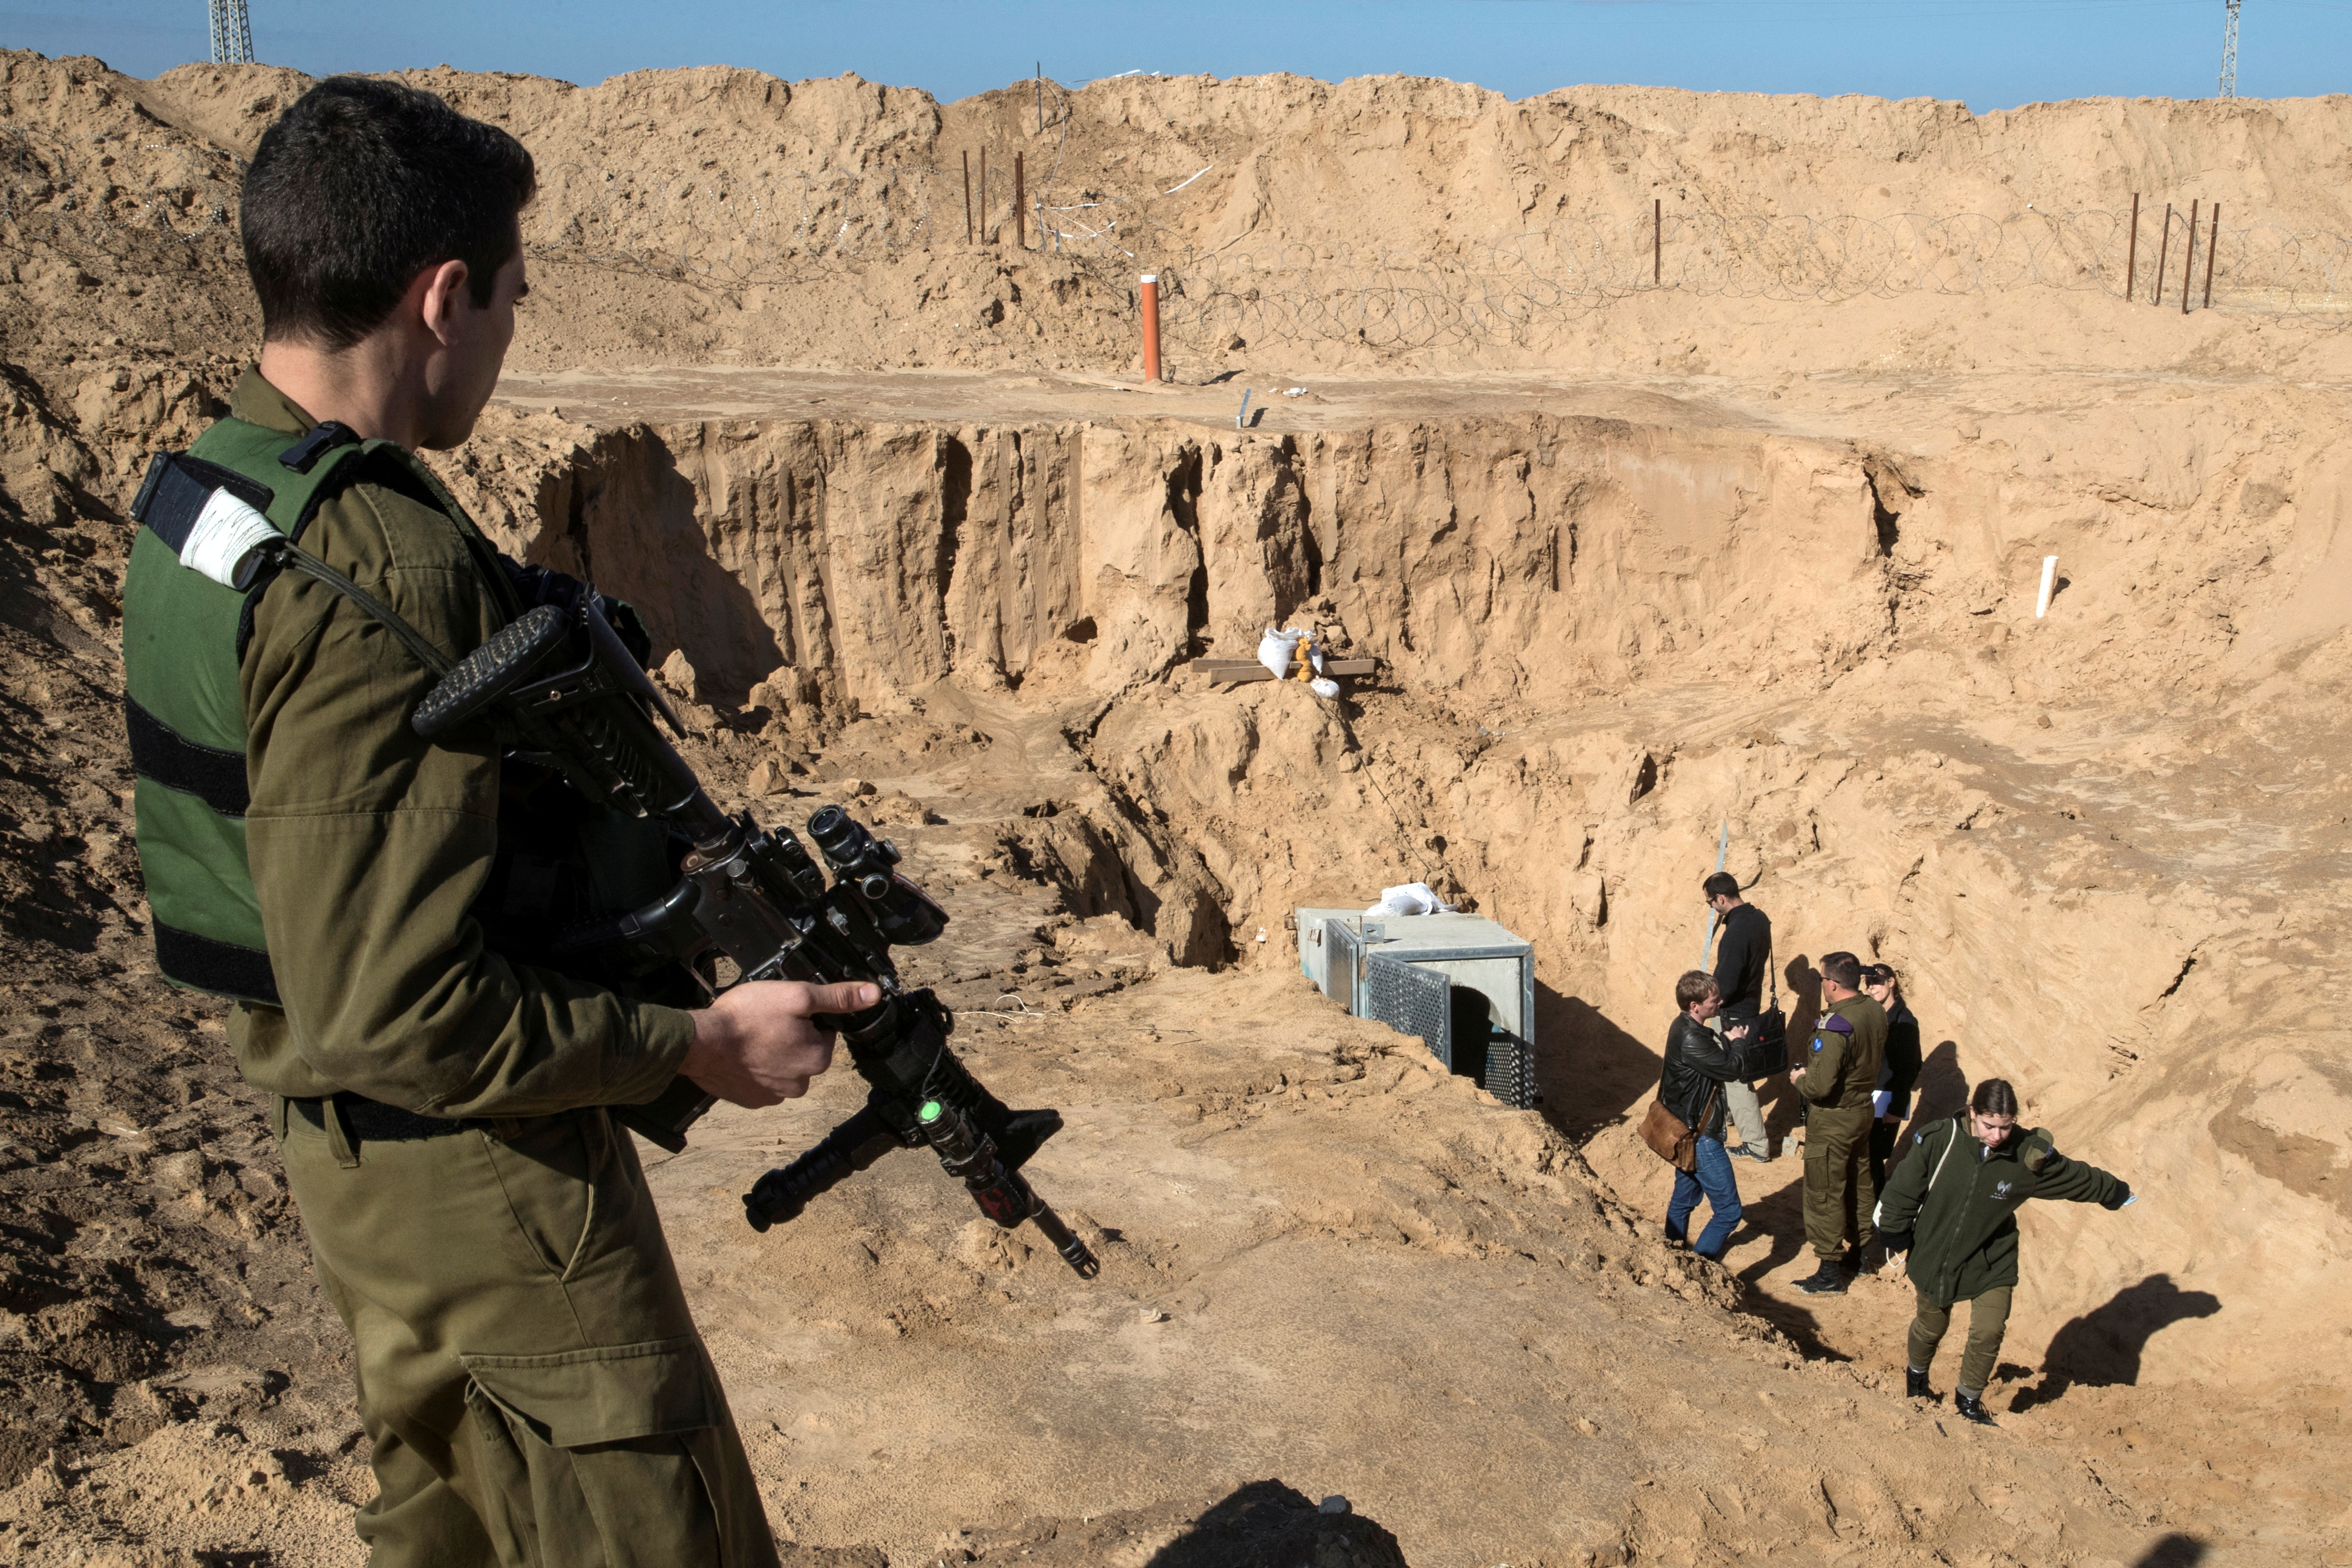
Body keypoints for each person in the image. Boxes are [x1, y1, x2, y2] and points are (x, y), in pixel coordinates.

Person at [119, 78, 857, 1565]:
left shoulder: (219, 489)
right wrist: (699, 1048)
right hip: (483, 1184)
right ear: (441, 296)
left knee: (455, 1527)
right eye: (514, 298)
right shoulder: (373, 557)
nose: (514, 337)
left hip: (361, 1175)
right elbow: (389, 1002)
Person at [1874, 1078, 2134, 1426]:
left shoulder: (2026, 1156)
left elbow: (2072, 1177)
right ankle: (1917, 1379)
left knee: (1989, 1330)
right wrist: (1895, 1231)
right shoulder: (1940, 1140)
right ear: (1973, 1114)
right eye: (1989, 1126)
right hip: (1936, 1254)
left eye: (2006, 1127)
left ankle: (1968, 1400)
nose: (1997, 1136)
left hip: (1992, 1258)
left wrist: (2114, 1191)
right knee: (1930, 1327)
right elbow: (1904, 1190)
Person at [1785, 950, 1886, 1294]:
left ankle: (1829, 1271)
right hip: (1862, 1113)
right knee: (1859, 1185)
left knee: (1824, 1192)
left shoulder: (1835, 1026)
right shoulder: (1873, 1010)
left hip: (1833, 1120)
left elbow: (1819, 1085)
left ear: (1831, 984)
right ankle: (1859, 1256)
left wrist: (1799, 1078)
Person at [1659, 971, 1748, 1262]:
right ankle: (1700, 1266)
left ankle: (1671, 1259)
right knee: (1729, 1212)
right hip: (1701, 1137)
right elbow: (1732, 1069)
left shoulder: (1685, 1026)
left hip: (1687, 1132)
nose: (1720, 1002)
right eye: (1714, 999)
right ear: (1695, 1006)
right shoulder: (1691, 1037)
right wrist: (1738, 1043)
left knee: (1683, 1201)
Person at [1702, 872, 1775, 1162]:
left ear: (1722, 898)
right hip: (1749, 1007)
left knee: (1737, 1078)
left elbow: (1728, 984)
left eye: (1711, 902)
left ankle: (1756, 1146)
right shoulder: (1759, 918)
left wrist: (1709, 1002)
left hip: (1733, 1014)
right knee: (1731, 1071)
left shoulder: (1736, 932)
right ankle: (1730, 1114)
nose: (1711, 907)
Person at [1862, 963, 1922, 1197]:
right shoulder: (1877, 1015)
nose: (1871, 987)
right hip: (1872, 1097)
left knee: (1874, 1161)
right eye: (1868, 983)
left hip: (1887, 1103)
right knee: (1867, 1159)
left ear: (1891, 982)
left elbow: (1910, 1067)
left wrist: (1896, 1108)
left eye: (1876, 982)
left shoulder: (1905, 1022)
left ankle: (1876, 1216)